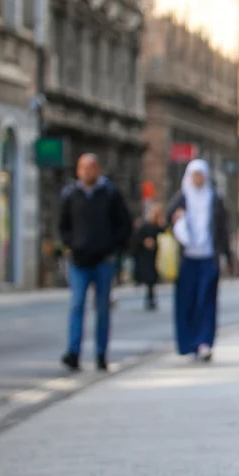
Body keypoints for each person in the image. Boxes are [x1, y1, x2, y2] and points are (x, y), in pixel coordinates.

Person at [58, 154, 133, 372]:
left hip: (104, 260)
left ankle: (101, 354)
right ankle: (73, 352)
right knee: (77, 305)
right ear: (78, 171)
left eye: (91, 167)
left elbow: (124, 224)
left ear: (98, 169)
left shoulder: (110, 193)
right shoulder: (71, 194)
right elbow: (63, 224)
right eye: (83, 168)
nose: (87, 172)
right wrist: (70, 244)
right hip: (79, 260)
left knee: (102, 308)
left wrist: (113, 247)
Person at [167, 159, 232, 362]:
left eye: (201, 174)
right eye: (194, 175)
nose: (198, 179)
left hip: (207, 258)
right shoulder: (181, 198)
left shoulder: (214, 199)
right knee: (187, 302)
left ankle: (204, 342)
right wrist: (175, 219)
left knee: (206, 301)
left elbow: (222, 231)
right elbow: (168, 225)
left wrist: (228, 256)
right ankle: (189, 344)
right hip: (186, 259)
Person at [131, 202, 165, 311]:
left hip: (157, 256)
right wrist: (145, 242)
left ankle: (151, 298)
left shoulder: (160, 226)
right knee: (150, 278)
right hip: (146, 256)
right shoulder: (145, 226)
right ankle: (150, 298)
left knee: (153, 278)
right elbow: (136, 239)